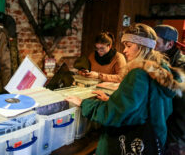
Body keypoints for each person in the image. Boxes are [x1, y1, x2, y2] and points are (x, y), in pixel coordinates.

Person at [66, 23, 184, 154]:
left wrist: (84, 103)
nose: (124, 50)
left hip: (128, 142)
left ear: (142, 47)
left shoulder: (138, 73)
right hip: (154, 140)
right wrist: (113, 99)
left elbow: (115, 114)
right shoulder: (160, 69)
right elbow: (142, 106)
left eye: (128, 46)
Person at [154, 24, 185, 155]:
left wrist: (172, 140)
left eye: (156, 42)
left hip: (175, 133)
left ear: (170, 44)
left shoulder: (180, 67)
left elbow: (181, 109)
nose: (152, 46)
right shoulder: (161, 60)